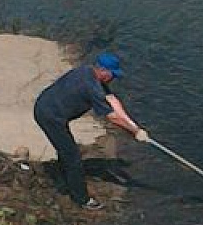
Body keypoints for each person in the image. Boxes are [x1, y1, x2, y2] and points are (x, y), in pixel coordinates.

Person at [33, 52, 148, 210]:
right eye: (112, 75)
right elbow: (112, 117)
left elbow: (112, 100)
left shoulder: (87, 71)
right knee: (73, 158)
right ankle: (81, 199)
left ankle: (64, 176)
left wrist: (134, 126)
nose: (113, 78)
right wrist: (132, 131)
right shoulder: (91, 88)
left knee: (66, 150)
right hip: (49, 116)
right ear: (103, 71)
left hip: (50, 105)